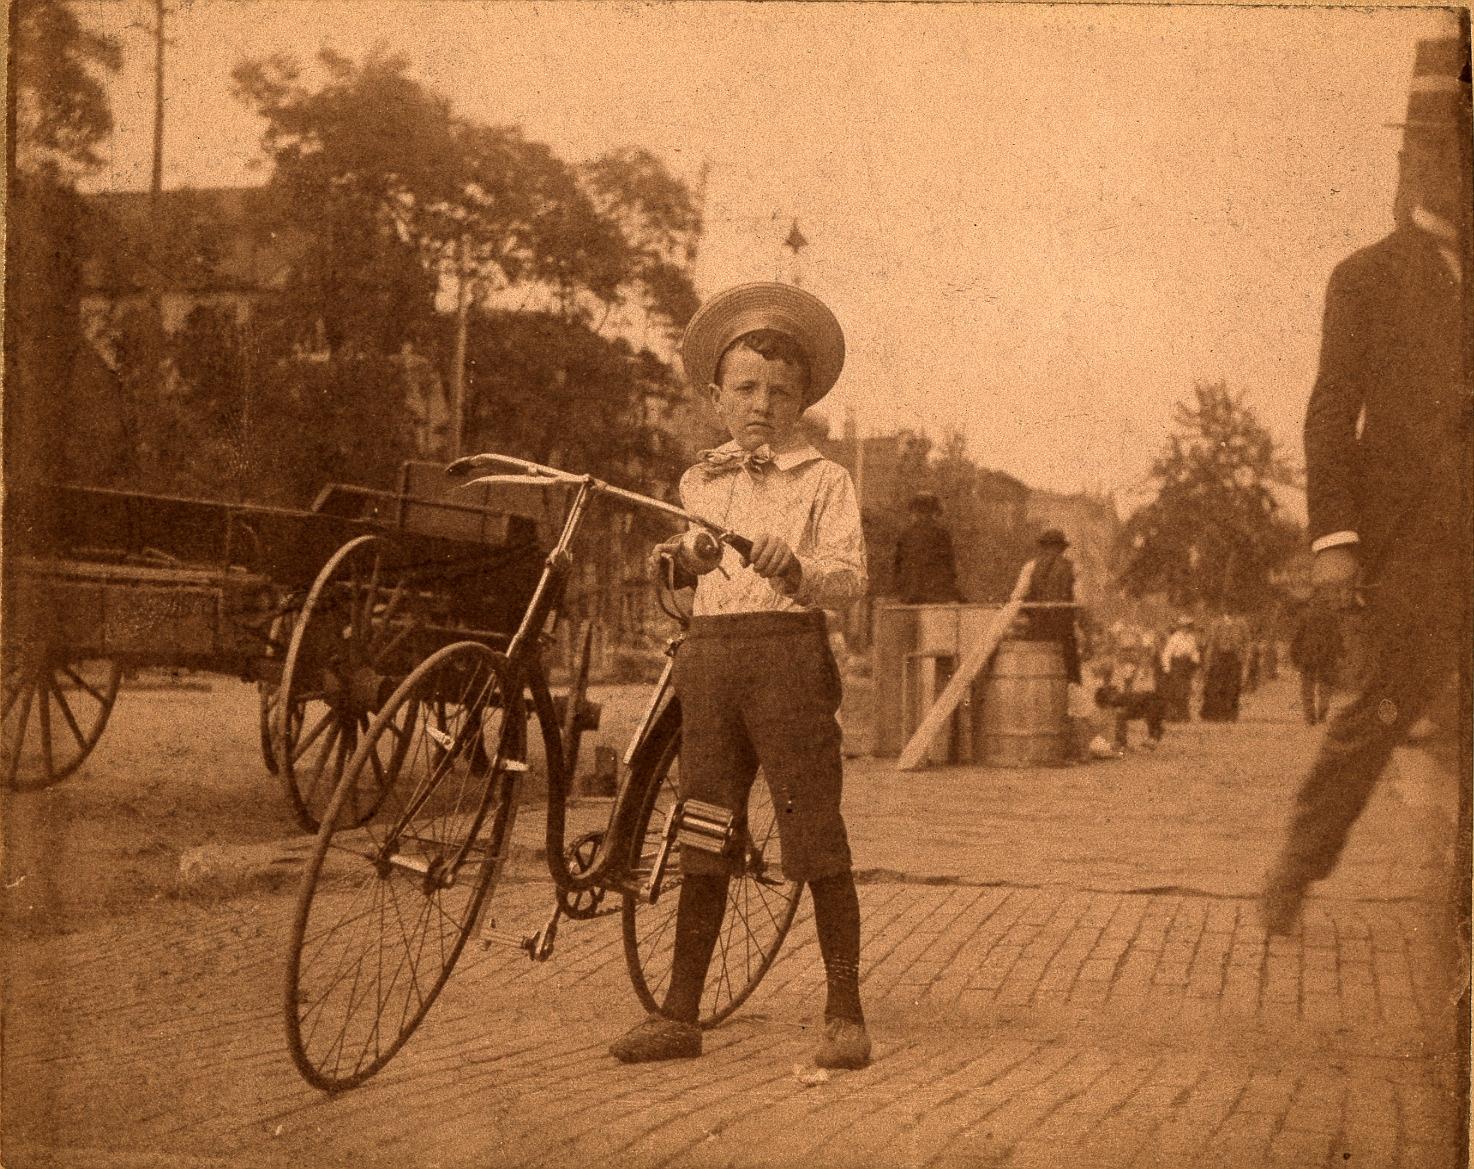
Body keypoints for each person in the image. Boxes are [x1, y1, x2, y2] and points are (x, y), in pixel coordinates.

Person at [609, 282, 872, 1069]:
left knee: (814, 832)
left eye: (780, 392)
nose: (761, 404)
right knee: (704, 827)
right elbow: (693, 565)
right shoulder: (701, 482)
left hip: (787, 659)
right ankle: (681, 1013)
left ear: (802, 403)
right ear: (718, 396)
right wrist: (686, 558)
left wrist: (803, 570)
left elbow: (850, 577)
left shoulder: (824, 481)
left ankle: (845, 1011)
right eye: (747, 388)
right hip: (711, 662)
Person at [1261, 36, 1471, 937]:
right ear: (1408, 163)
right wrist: (1337, 544)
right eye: (1438, 150)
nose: (1454, 167)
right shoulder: (1367, 279)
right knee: (1370, 723)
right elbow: (1327, 417)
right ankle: (1295, 869)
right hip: (1409, 554)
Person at [1019, 528, 1081, 684]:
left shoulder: (1030, 566)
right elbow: (1081, 600)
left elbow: (1018, 596)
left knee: (1036, 668)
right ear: (1062, 548)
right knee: (1066, 669)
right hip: (1063, 628)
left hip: (1037, 627)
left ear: (1043, 547)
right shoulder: (1072, 567)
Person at [1094, 639, 1165, 751]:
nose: (1127, 654)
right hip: (1126, 703)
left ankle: (1153, 737)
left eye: (1130, 651)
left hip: (1142, 704)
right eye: (1124, 651)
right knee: (1120, 711)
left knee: (1153, 703)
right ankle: (1120, 742)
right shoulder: (1116, 669)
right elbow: (1112, 690)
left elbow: (1149, 689)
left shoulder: (1144, 669)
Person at [893, 492, 962, 603]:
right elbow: (950, 566)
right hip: (936, 592)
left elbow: (898, 567)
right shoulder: (942, 533)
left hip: (912, 593)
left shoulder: (907, 534)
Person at [1288, 600, 1343, 725]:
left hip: (1308, 656)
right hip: (1327, 656)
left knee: (1307, 686)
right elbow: (1337, 637)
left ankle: (1310, 716)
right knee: (1325, 685)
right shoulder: (1332, 617)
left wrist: (1294, 656)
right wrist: (1340, 654)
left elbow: (1297, 637)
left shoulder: (1306, 616)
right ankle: (1322, 712)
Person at [1199, 614, 1246, 722]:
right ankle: (1218, 714)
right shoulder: (1216, 623)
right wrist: (1208, 661)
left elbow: (1246, 642)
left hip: (1235, 659)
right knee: (1219, 686)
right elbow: (1211, 643)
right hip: (1219, 658)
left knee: (1233, 686)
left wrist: (1243, 657)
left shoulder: (1241, 623)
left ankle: (1231, 715)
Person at [1159, 617, 1201, 722]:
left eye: (1188, 626)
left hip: (1186, 666)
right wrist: (1167, 668)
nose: (1186, 628)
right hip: (1176, 665)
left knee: (1186, 690)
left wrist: (1195, 662)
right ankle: (1174, 715)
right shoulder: (1175, 637)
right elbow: (1167, 654)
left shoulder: (1191, 638)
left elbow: (1194, 651)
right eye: (1184, 626)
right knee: (1176, 691)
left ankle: (1184, 715)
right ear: (1180, 627)